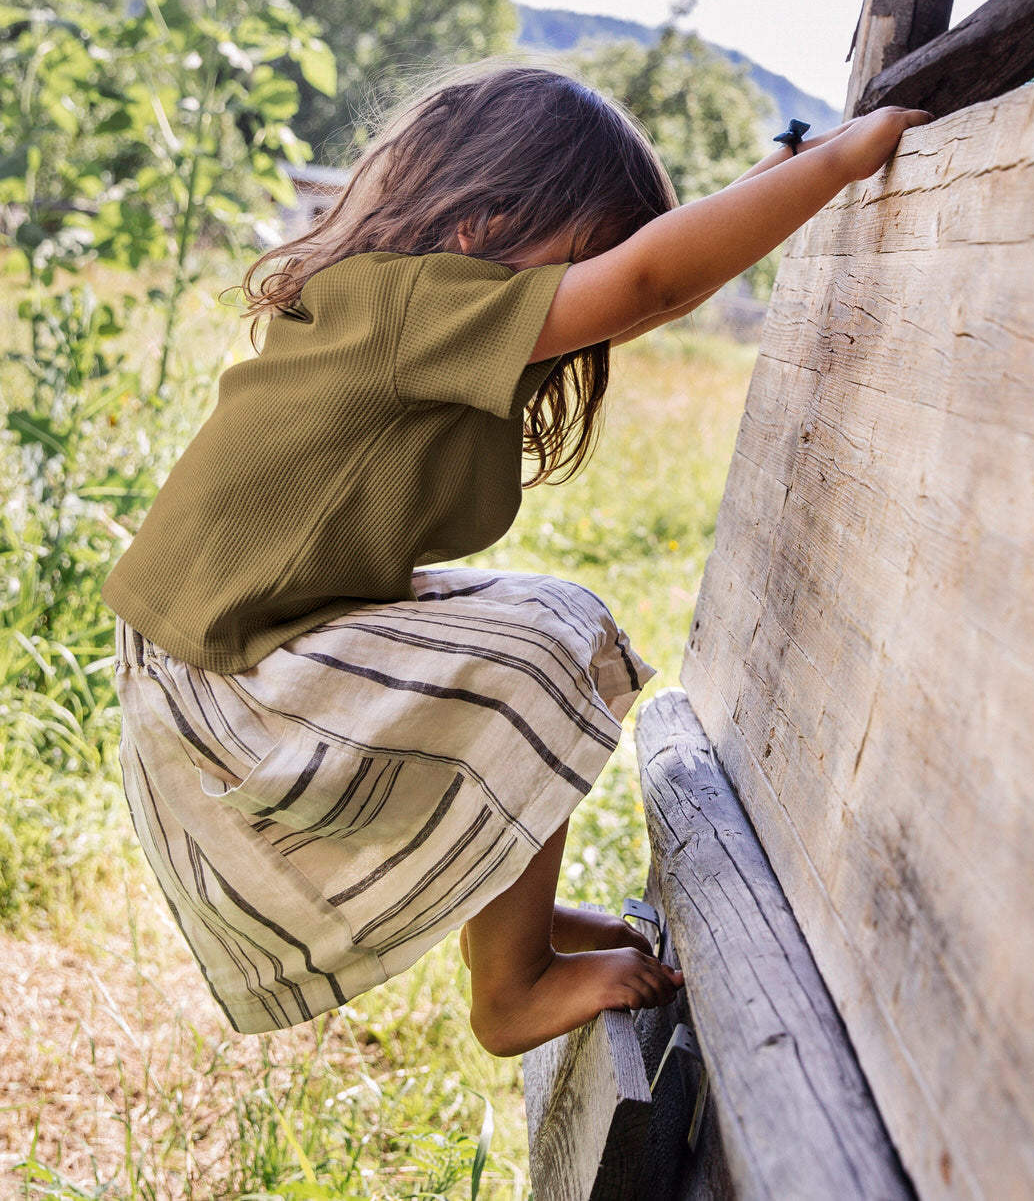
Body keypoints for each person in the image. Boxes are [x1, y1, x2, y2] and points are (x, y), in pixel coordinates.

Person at [102, 58, 930, 1057]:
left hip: (235, 650)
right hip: (228, 685)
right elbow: (649, 282)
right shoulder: (412, 305)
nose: (594, 305)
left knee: (537, 630)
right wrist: (838, 161)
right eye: (581, 258)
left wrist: (778, 168)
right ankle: (513, 987)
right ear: (486, 226)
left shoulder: (421, 304)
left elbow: (650, 290)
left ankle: (512, 927)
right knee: (542, 640)